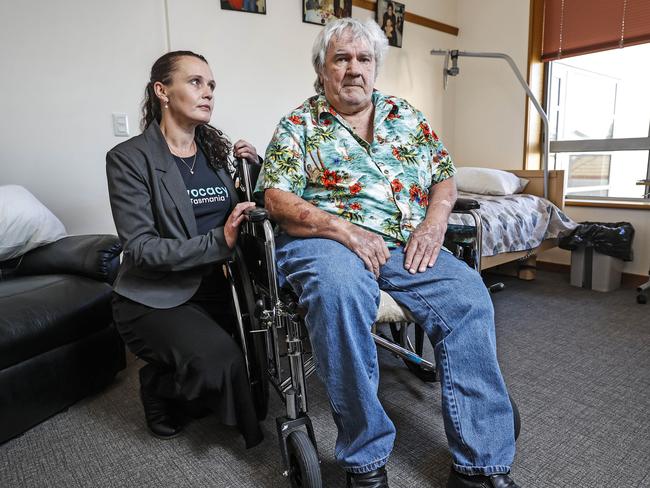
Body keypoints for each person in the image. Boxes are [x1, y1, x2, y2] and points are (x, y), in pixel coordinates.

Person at [256, 18, 521, 488]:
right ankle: (364, 459)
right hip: (325, 242)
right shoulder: (298, 124)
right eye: (342, 59)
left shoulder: (406, 116)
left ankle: (479, 466)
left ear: (376, 68)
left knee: (469, 296)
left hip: (405, 243)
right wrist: (345, 230)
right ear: (322, 70)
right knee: (340, 294)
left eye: (364, 59)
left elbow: (444, 176)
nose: (353, 69)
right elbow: (275, 198)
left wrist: (434, 224)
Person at [106, 50, 263, 448]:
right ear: (162, 91)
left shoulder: (215, 153)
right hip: (158, 294)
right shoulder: (128, 159)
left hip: (218, 283)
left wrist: (254, 169)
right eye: (195, 82)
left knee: (256, 361)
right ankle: (158, 387)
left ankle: (187, 374)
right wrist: (218, 241)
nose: (207, 92)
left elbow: (242, 211)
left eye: (211, 85)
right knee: (222, 363)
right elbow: (140, 248)